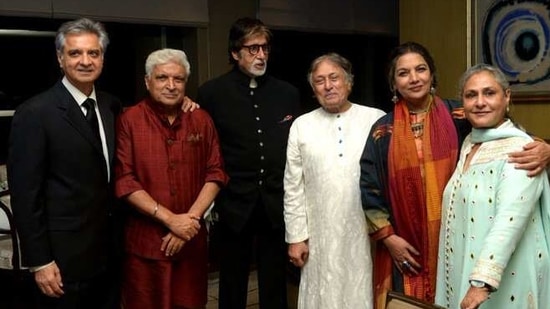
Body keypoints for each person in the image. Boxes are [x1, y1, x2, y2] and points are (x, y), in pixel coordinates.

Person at [359, 41, 550, 309]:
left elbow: (506, 135)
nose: (414, 78)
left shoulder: (458, 116)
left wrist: (546, 149)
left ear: (432, 75)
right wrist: (389, 239)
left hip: (457, 238)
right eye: (403, 73)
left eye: (421, 69)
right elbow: (369, 188)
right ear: (394, 83)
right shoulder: (382, 131)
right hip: (405, 247)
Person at [7, 18, 122, 309]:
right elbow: (25, 196)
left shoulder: (112, 106)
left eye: (93, 53)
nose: (85, 61)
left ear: (102, 58)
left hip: (109, 255)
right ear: (60, 58)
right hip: (62, 262)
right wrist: (40, 261)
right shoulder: (35, 113)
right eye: (75, 53)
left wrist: (185, 105)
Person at [197, 17, 301, 309]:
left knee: (274, 283)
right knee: (231, 282)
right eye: (253, 48)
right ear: (235, 53)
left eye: (265, 48)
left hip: (275, 203)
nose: (261, 55)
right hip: (233, 203)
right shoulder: (211, 93)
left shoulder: (287, 93)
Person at [114, 48, 228, 309]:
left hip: (191, 244)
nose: (171, 85)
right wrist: (171, 220)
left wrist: (189, 221)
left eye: (178, 79)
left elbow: (216, 172)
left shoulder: (200, 118)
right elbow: (125, 180)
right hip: (145, 245)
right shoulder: (128, 120)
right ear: (147, 81)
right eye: (162, 78)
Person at [435, 63, 550, 309]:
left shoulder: (521, 150)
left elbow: (509, 219)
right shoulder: (470, 144)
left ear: (506, 97)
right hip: (468, 275)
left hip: (502, 280)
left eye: (489, 93)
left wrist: (481, 283)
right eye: (471, 95)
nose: (479, 102)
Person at [284, 53, 384, 309]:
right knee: (323, 292)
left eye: (334, 78)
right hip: (319, 234)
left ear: (348, 82)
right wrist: (296, 237)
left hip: (365, 231)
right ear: (313, 88)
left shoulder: (375, 119)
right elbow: (293, 187)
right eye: (320, 81)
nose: (328, 86)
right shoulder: (301, 126)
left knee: (363, 289)